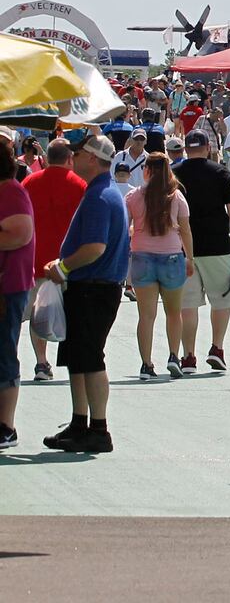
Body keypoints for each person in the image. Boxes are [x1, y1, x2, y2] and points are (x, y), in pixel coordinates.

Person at [40, 134, 130, 454]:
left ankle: (98, 428)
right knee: (79, 358)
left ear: (92, 158)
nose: (73, 157)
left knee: (89, 358)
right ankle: (81, 424)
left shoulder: (98, 196)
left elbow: (95, 247)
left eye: (77, 153)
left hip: (94, 288)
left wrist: (64, 267)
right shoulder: (103, 192)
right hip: (92, 287)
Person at [175, 129, 230, 374]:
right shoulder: (221, 172)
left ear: (186, 148)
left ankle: (188, 356)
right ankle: (217, 347)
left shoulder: (175, 173)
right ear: (207, 148)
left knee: (188, 304)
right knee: (222, 299)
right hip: (217, 244)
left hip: (185, 248)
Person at [125, 153, 194, 380]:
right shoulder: (176, 197)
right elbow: (185, 229)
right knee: (174, 313)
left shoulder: (134, 196)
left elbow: (126, 228)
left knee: (146, 315)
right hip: (172, 256)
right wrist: (190, 258)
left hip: (142, 256)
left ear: (146, 170)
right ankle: (174, 356)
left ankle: (146, 364)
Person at [22, 140, 87, 381]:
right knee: (75, 314)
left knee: (38, 315)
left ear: (47, 158)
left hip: (36, 260)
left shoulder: (29, 182)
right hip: (71, 262)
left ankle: (41, 362)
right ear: (69, 159)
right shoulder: (79, 185)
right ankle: (75, 363)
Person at [0, 137, 34, 449]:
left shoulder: (10, 190)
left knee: (4, 352)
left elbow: (19, 232)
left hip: (7, 286)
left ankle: (5, 426)